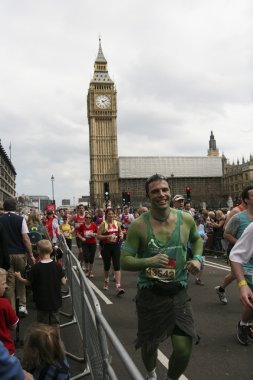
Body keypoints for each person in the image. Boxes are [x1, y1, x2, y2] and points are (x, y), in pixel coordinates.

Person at [121, 174, 203, 380]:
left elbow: (196, 239)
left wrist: (198, 258)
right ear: (148, 195)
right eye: (156, 191)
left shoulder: (186, 219)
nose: (162, 194)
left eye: (165, 190)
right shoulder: (138, 225)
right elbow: (124, 260)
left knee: (184, 349)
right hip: (151, 293)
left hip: (178, 291)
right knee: (150, 347)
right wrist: (149, 261)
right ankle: (150, 374)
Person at [214, 186, 252, 306]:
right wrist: (243, 244)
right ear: (245, 199)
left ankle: (221, 289)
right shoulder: (237, 213)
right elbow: (226, 232)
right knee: (240, 274)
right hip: (239, 251)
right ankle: (245, 322)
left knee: (234, 274)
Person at [15, 239, 66, 325]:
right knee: (55, 323)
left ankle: (43, 338)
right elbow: (63, 282)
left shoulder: (35, 267)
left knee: (42, 324)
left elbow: (28, 282)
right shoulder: (57, 266)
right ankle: (55, 338)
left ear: (38, 251)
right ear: (51, 250)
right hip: (55, 300)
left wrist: (19, 278)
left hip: (41, 301)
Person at [0, 198, 35, 316]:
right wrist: (31, 254)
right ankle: (22, 306)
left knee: (9, 283)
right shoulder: (21, 220)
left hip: (5, 254)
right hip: (20, 253)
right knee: (21, 279)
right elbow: (25, 238)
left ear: (4, 207)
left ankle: (11, 310)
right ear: (15, 207)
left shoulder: (0, 219)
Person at [230, 222, 253, 344]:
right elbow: (236, 255)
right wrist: (242, 284)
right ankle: (244, 324)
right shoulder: (239, 216)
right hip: (249, 268)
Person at [97, 208, 125, 295]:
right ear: (106, 215)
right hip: (106, 247)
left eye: (112, 214)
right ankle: (106, 280)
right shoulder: (103, 224)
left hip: (115, 246)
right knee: (107, 265)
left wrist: (121, 236)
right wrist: (107, 237)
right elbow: (98, 236)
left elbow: (121, 233)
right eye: (109, 214)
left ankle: (118, 286)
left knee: (117, 265)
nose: (111, 215)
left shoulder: (117, 223)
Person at [0, 268, 19, 355]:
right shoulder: (4, 303)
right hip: (6, 349)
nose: (6, 286)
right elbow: (13, 326)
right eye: (3, 283)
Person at [77, 213, 98, 277]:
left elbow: (97, 233)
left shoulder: (94, 225)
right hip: (85, 243)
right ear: (85, 218)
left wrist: (94, 234)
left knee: (91, 258)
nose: (88, 219)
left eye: (89, 218)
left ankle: (90, 271)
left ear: (91, 219)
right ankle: (86, 269)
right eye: (87, 217)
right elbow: (78, 233)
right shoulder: (82, 225)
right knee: (86, 257)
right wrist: (82, 238)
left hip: (92, 243)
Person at [69, 204, 86, 269]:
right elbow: (69, 222)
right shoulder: (76, 216)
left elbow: (90, 223)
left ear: (84, 209)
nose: (81, 209)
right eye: (80, 208)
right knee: (81, 251)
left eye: (82, 208)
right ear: (78, 209)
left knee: (84, 252)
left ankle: (82, 264)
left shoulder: (86, 216)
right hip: (78, 235)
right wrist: (74, 225)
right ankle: (78, 264)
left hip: (85, 236)